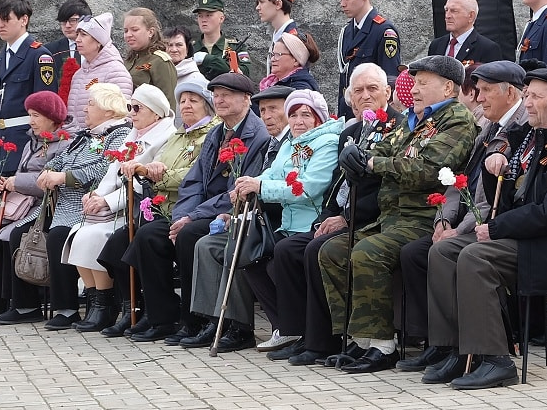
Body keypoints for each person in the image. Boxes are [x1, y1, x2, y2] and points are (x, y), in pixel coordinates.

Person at [422, 68, 547, 388]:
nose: (528, 102)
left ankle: (495, 358)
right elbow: (513, 194)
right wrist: (496, 167)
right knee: (444, 251)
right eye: (527, 95)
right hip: (529, 237)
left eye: (535, 96)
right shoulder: (532, 137)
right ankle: (457, 349)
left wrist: (497, 227)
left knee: (477, 257)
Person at [321, 55, 478, 373]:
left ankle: (382, 345)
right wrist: (359, 154)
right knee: (333, 252)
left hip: (421, 217)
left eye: (422, 83)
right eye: (414, 82)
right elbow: (385, 149)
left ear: (448, 86)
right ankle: (359, 338)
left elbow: (432, 171)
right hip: (392, 217)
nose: (414, 90)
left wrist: (371, 164)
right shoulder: (418, 120)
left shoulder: (456, 120)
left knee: (367, 253)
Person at [251, 64, 401, 366]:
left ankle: (324, 340)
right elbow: (337, 185)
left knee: (312, 249)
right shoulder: (352, 132)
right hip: (343, 215)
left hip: (375, 219)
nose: (365, 96)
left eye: (372, 89)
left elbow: (388, 186)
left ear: (387, 92)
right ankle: (304, 335)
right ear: (349, 99)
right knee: (290, 249)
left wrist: (346, 219)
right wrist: (329, 216)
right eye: (358, 91)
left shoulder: (397, 128)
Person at [396, 61, 530, 373]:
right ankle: (444, 344)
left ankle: (469, 351)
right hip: (473, 221)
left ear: (510, 92)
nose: (478, 98)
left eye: (484, 91)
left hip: (498, 225)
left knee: (449, 251)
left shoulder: (519, 130)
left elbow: (490, 201)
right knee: (419, 251)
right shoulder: (489, 128)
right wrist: (442, 220)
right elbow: (458, 181)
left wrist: (460, 229)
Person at [124, 73, 270, 342]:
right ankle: (163, 318)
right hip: (198, 210)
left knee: (191, 235)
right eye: (216, 94)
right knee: (150, 235)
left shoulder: (256, 135)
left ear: (247, 99)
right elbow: (192, 181)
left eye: (227, 94)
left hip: (228, 211)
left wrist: (191, 218)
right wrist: (180, 216)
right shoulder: (217, 133)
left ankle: (198, 319)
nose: (220, 99)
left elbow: (238, 192)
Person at [194, 90, 342, 352]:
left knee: (283, 255)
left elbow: (308, 187)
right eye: (293, 114)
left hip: (313, 222)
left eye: (305, 114)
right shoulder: (289, 144)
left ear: (319, 117)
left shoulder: (327, 141)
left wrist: (260, 187)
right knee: (250, 258)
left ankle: (302, 332)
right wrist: (245, 185)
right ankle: (284, 327)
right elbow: (270, 174)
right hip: (287, 224)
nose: (298, 121)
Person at [0, 83, 133, 330]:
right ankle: (24, 306)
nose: (85, 109)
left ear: (107, 109)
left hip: (90, 206)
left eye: (91, 104)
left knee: (59, 236)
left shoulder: (119, 134)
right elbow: (60, 159)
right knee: (19, 233)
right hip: (62, 204)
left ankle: (68, 308)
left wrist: (64, 178)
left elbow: (105, 168)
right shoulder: (87, 135)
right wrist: (50, 170)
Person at [96, 78, 221, 338]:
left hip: (188, 207)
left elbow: (193, 175)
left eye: (194, 100)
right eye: (183, 100)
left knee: (147, 238)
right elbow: (156, 165)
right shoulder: (177, 135)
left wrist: (157, 174)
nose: (186, 105)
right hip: (163, 207)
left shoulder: (212, 133)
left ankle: (163, 316)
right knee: (119, 243)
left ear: (208, 105)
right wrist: (144, 171)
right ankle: (138, 310)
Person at [63, 84, 176, 332]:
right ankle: (98, 303)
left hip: (138, 209)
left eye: (137, 108)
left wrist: (107, 201)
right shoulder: (132, 135)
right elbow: (112, 173)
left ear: (156, 113)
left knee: (103, 239)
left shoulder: (164, 137)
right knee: (78, 233)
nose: (131, 113)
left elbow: (140, 184)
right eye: (129, 107)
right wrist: (96, 195)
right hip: (116, 206)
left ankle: (122, 306)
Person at [0, 91, 67, 322]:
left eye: (36, 115)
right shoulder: (31, 143)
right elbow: (20, 175)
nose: (31, 121)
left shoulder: (64, 144)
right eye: (29, 115)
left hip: (46, 207)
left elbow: (49, 181)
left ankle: (26, 305)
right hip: (23, 205)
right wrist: (2, 184)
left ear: (51, 117)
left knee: (14, 236)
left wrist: (17, 182)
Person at [0, 0, 58, 192]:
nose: (0, 25)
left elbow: (45, 105)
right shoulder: (2, 56)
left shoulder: (39, 55)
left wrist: (40, 144)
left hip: (26, 140)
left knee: (24, 206)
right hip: (3, 139)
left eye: (6, 19)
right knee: (4, 206)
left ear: (23, 20)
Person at [334, 0, 401, 118]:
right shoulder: (347, 31)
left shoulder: (383, 31)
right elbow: (344, 80)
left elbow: (390, 78)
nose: (342, 4)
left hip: (375, 114)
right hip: (351, 111)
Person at [63, 13, 133, 133]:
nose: (78, 39)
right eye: (78, 34)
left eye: (84, 35)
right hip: (78, 142)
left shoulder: (116, 71)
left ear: (99, 41)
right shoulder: (78, 74)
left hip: (101, 143)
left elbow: (121, 116)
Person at [427, 0, 505, 65]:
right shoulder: (436, 45)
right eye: (446, 10)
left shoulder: (488, 48)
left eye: (454, 11)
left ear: (471, 16)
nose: (447, 16)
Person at [123, 7, 178, 110]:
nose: (128, 35)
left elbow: (168, 104)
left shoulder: (160, 61)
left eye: (135, 30)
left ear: (150, 32)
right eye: (126, 31)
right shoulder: (128, 61)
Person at [192, 0, 251, 79]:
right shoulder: (191, 48)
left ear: (221, 19)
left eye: (209, 15)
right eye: (200, 16)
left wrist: (208, 59)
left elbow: (246, 71)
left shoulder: (234, 46)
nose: (203, 20)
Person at [255, 0, 300, 75]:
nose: (257, 7)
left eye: (262, 2)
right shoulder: (280, 34)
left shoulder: (292, 38)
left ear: (278, 4)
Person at [45, 0, 92, 67]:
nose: (67, 25)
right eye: (63, 21)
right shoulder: (50, 50)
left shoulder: (101, 48)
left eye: (72, 20)